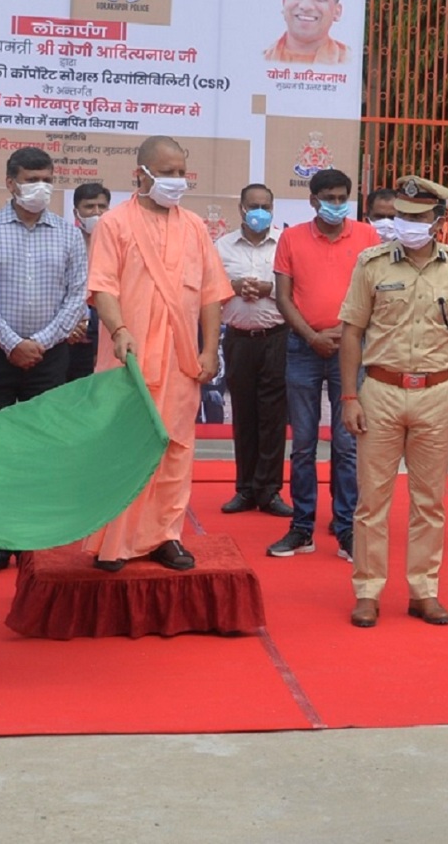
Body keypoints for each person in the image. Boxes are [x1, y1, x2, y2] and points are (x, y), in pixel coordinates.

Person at [338, 176, 448, 628]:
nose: (408, 225)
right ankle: (367, 590)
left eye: (419, 218)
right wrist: (348, 396)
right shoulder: (372, 263)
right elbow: (352, 331)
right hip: (380, 390)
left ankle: (424, 589)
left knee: (429, 501)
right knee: (372, 501)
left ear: (438, 221)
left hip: (436, 393)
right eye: (403, 217)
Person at [83, 136, 233, 573]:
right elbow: (103, 288)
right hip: (127, 360)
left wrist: (209, 349)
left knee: (174, 451)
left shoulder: (194, 228)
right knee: (122, 449)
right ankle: (114, 541)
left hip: (181, 362)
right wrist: (120, 330)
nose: (176, 181)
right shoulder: (114, 224)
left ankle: (165, 536)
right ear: (141, 175)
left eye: (180, 172)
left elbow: (210, 296)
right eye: (166, 173)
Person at [0, 147, 88, 578]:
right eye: (32, 179)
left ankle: (37, 542)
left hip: (50, 359)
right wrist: (13, 343)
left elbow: (76, 297)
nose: (41, 188)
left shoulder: (68, 235)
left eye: (47, 179)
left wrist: (41, 342)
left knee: (44, 451)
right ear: (11, 182)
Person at [270, 169, 379, 560]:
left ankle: (346, 528)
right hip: (303, 348)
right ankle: (302, 529)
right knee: (302, 445)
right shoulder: (291, 237)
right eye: (329, 198)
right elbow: (283, 297)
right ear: (313, 200)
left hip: (352, 349)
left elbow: (375, 292)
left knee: (347, 444)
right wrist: (313, 336)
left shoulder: (368, 237)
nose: (336, 204)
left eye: (342, 198)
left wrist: (346, 335)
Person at [216, 183, 292, 518]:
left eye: (266, 206)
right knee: (244, 416)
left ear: (273, 209)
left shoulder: (286, 244)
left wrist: (269, 289)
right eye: (254, 205)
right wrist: (232, 287)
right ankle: (244, 489)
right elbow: (207, 289)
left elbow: (298, 288)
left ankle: (270, 490)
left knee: (273, 418)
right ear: (242, 209)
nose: (260, 211)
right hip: (238, 340)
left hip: (277, 338)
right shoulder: (222, 246)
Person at [65, 183, 112, 382]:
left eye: (102, 207)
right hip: (70, 334)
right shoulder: (64, 243)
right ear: (77, 212)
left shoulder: (119, 244)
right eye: (89, 207)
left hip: (108, 331)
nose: (96, 212)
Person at [263, 0, 350, 64]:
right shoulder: (263, 60)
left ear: (337, 12)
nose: (305, 6)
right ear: (284, 4)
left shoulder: (347, 60)